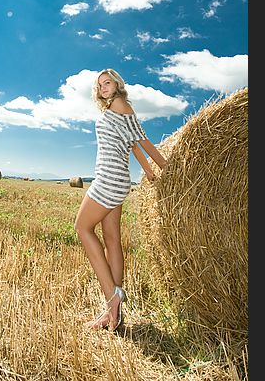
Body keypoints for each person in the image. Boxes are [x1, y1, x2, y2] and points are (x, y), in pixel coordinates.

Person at [74, 68, 167, 331]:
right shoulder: (116, 108)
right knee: (112, 239)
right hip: (118, 180)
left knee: (82, 228)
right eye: (100, 84)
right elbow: (133, 143)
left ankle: (112, 297)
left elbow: (144, 140)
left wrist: (166, 167)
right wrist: (149, 171)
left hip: (108, 179)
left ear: (117, 83)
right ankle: (114, 314)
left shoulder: (120, 104)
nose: (103, 87)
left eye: (107, 82)